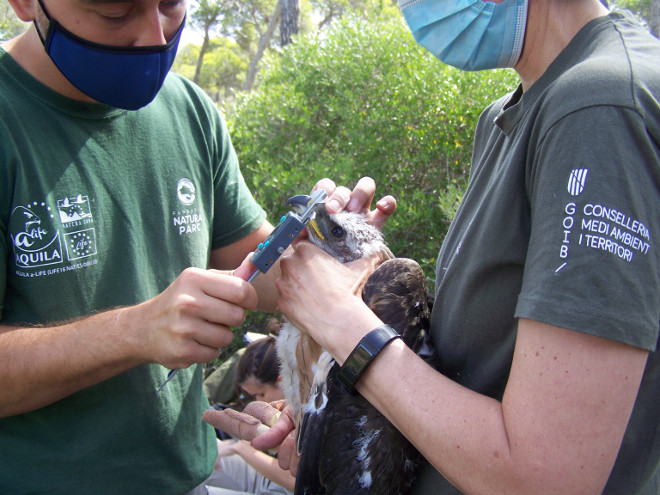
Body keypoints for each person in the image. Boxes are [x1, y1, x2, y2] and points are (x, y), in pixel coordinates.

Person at [254, 1, 660, 494]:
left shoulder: (600, 106)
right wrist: (335, 411)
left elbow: (547, 481)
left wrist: (342, 324)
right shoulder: (508, 115)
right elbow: (480, 362)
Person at [0, 1, 394, 493]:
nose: (153, 36)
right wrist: (133, 331)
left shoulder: (188, 111)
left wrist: (336, 253)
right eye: (115, 12)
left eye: (169, 4)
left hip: (188, 480)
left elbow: (264, 276)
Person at [204, 335, 295, 495]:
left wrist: (241, 448)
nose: (259, 401)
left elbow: (296, 481)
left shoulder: (308, 410)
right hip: (266, 478)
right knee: (200, 459)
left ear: (281, 382)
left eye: (261, 394)